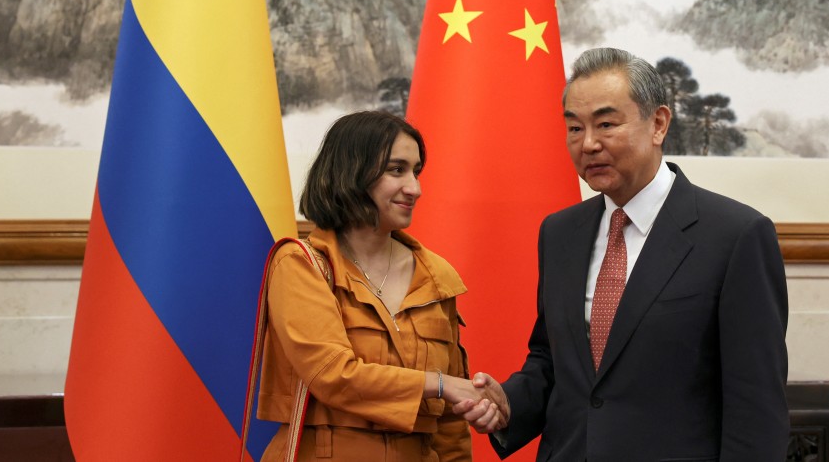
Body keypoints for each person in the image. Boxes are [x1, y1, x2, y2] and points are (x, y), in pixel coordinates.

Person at [456, 47, 790, 460]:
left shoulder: (735, 235)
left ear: (658, 124)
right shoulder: (560, 233)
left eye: (606, 124)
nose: (589, 144)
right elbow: (553, 361)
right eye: (574, 129)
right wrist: (510, 403)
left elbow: (756, 407)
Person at [255, 111, 498, 461]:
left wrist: (460, 397)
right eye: (396, 170)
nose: (414, 188)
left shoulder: (435, 275)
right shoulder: (301, 264)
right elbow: (333, 375)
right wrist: (440, 383)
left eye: (416, 171)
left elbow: (449, 425)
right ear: (351, 173)